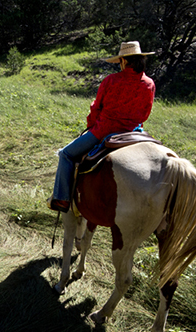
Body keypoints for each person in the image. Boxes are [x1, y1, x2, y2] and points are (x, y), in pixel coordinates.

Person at [48, 41, 156, 213]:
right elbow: (145, 114)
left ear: (123, 61)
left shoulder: (111, 80)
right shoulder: (149, 84)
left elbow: (96, 107)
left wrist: (91, 125)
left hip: (104, 130)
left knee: (66, 154)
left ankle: (61, 199)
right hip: (133, 132)